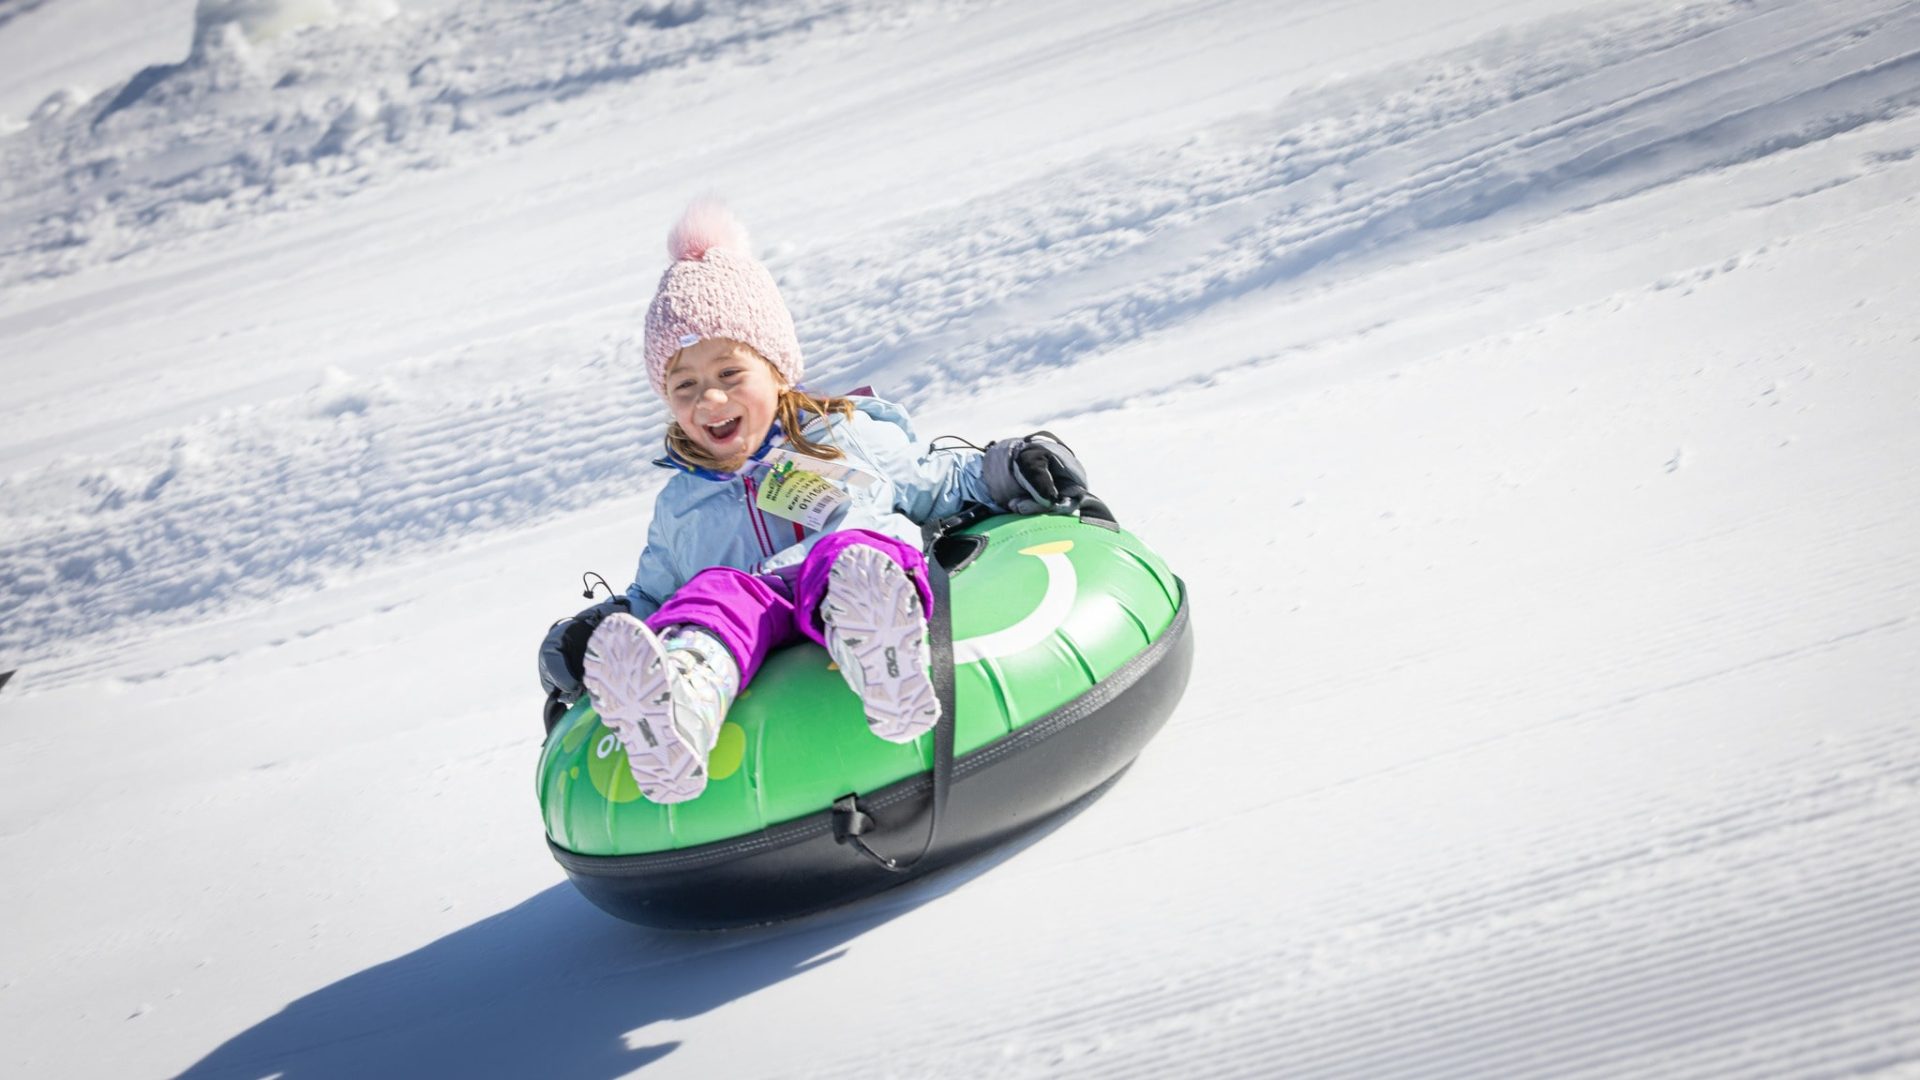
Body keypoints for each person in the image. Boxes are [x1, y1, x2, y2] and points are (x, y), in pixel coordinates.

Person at [537, 200, 1089, 804]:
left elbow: (938, 482)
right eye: (685, 385)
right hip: (759, 604)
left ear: (777, 369)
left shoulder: (845, 435)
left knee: (850, 549)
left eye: (729, 372)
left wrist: (1009, 467)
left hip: (852, 570)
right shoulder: (680, 505)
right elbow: (655, 595)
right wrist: (596, 632)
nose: (711, 400)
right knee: (713, 595)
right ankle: (679, 711)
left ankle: (880, 654)